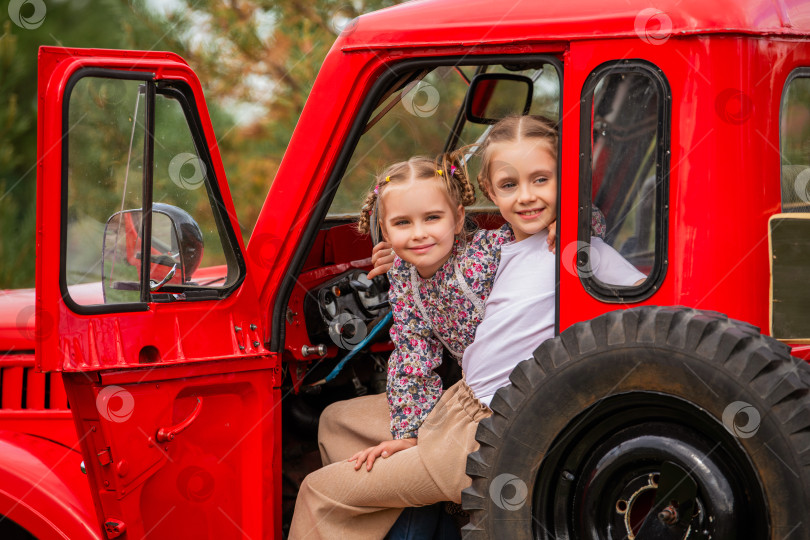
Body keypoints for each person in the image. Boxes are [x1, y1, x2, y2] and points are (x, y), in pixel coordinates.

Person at [290, 116, 642, 539]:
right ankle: (424, 523)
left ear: (459, 218)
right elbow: (413, 349)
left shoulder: (539, 246)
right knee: (335, 422)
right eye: (510, 185)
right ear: (491, 192)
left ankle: (416, 500)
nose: (526, 197)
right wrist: (409, 430)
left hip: (489, 423)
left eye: (541, 180)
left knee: (318, 491)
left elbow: (600, 256)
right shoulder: (486, 253)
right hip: (460, 402)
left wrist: (581, 218)